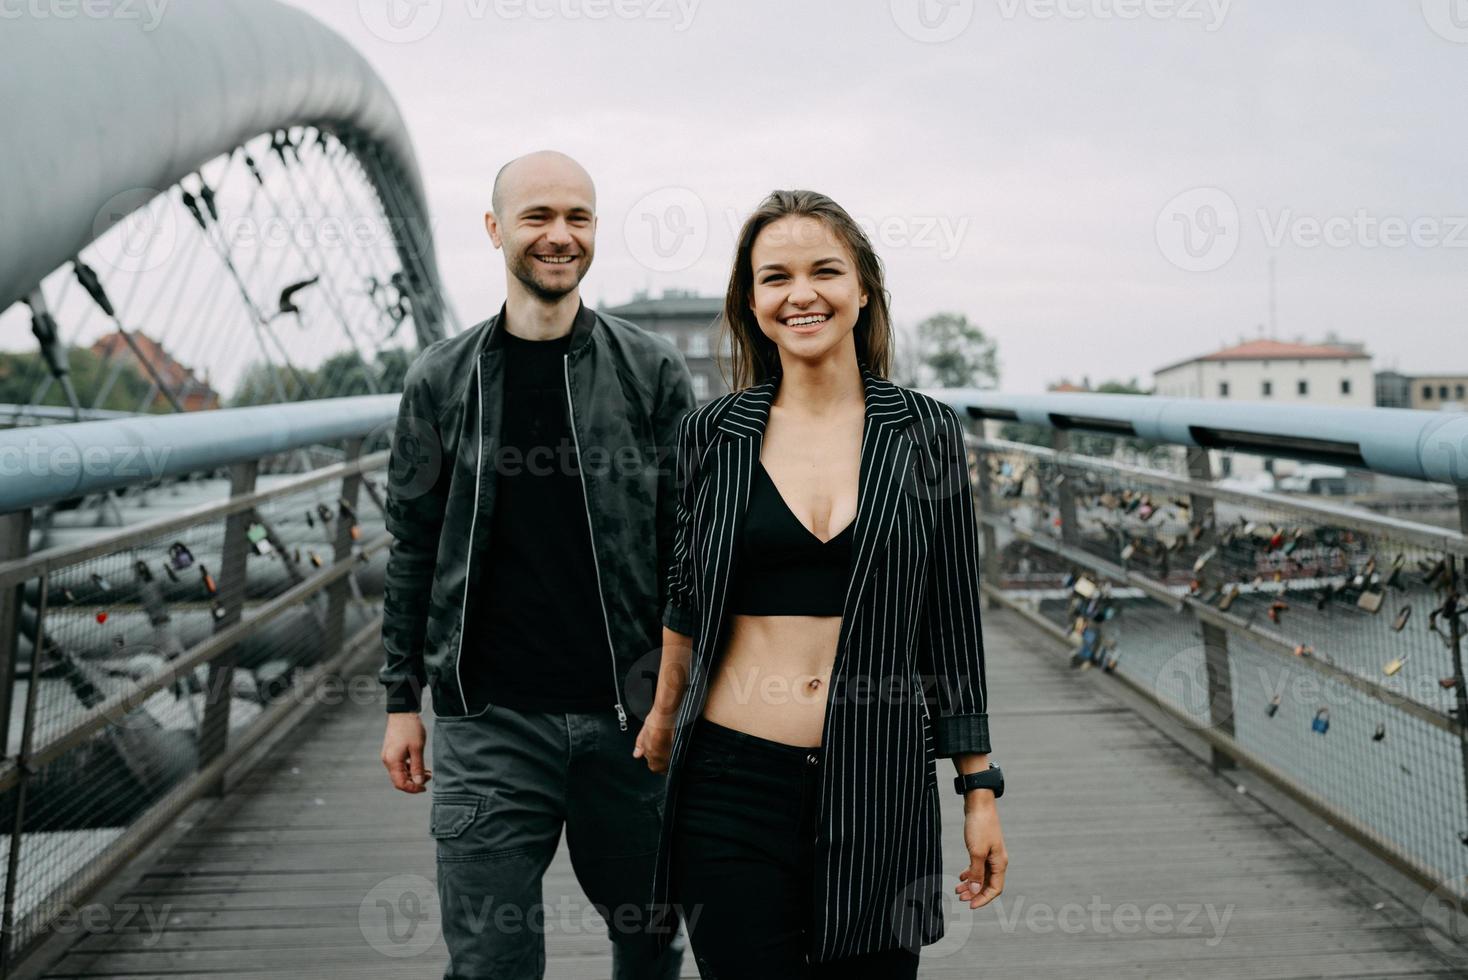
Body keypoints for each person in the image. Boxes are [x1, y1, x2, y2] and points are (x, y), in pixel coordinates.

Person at [632, 189, 1008, 978]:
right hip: (731, 781)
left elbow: (950, 622)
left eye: (824, 271)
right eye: (775, 278)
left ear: (863, 287)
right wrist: (664, 714)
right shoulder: (713, 433)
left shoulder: (925, 432)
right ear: (753, 302)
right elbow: (683, 595)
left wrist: (978, 790)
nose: (801, 294)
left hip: (880, 777)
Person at [378, 150, 695, 979]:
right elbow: (411, 545)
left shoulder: (651, 371)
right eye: (538, 217)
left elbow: (687, 545)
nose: (560, 236)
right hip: (490, 720)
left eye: (578, 218)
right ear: (495, 230)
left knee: (650, 936)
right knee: (491, 962)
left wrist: (677, 696)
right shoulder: (440, 381)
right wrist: (398, 700)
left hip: (630, 721)